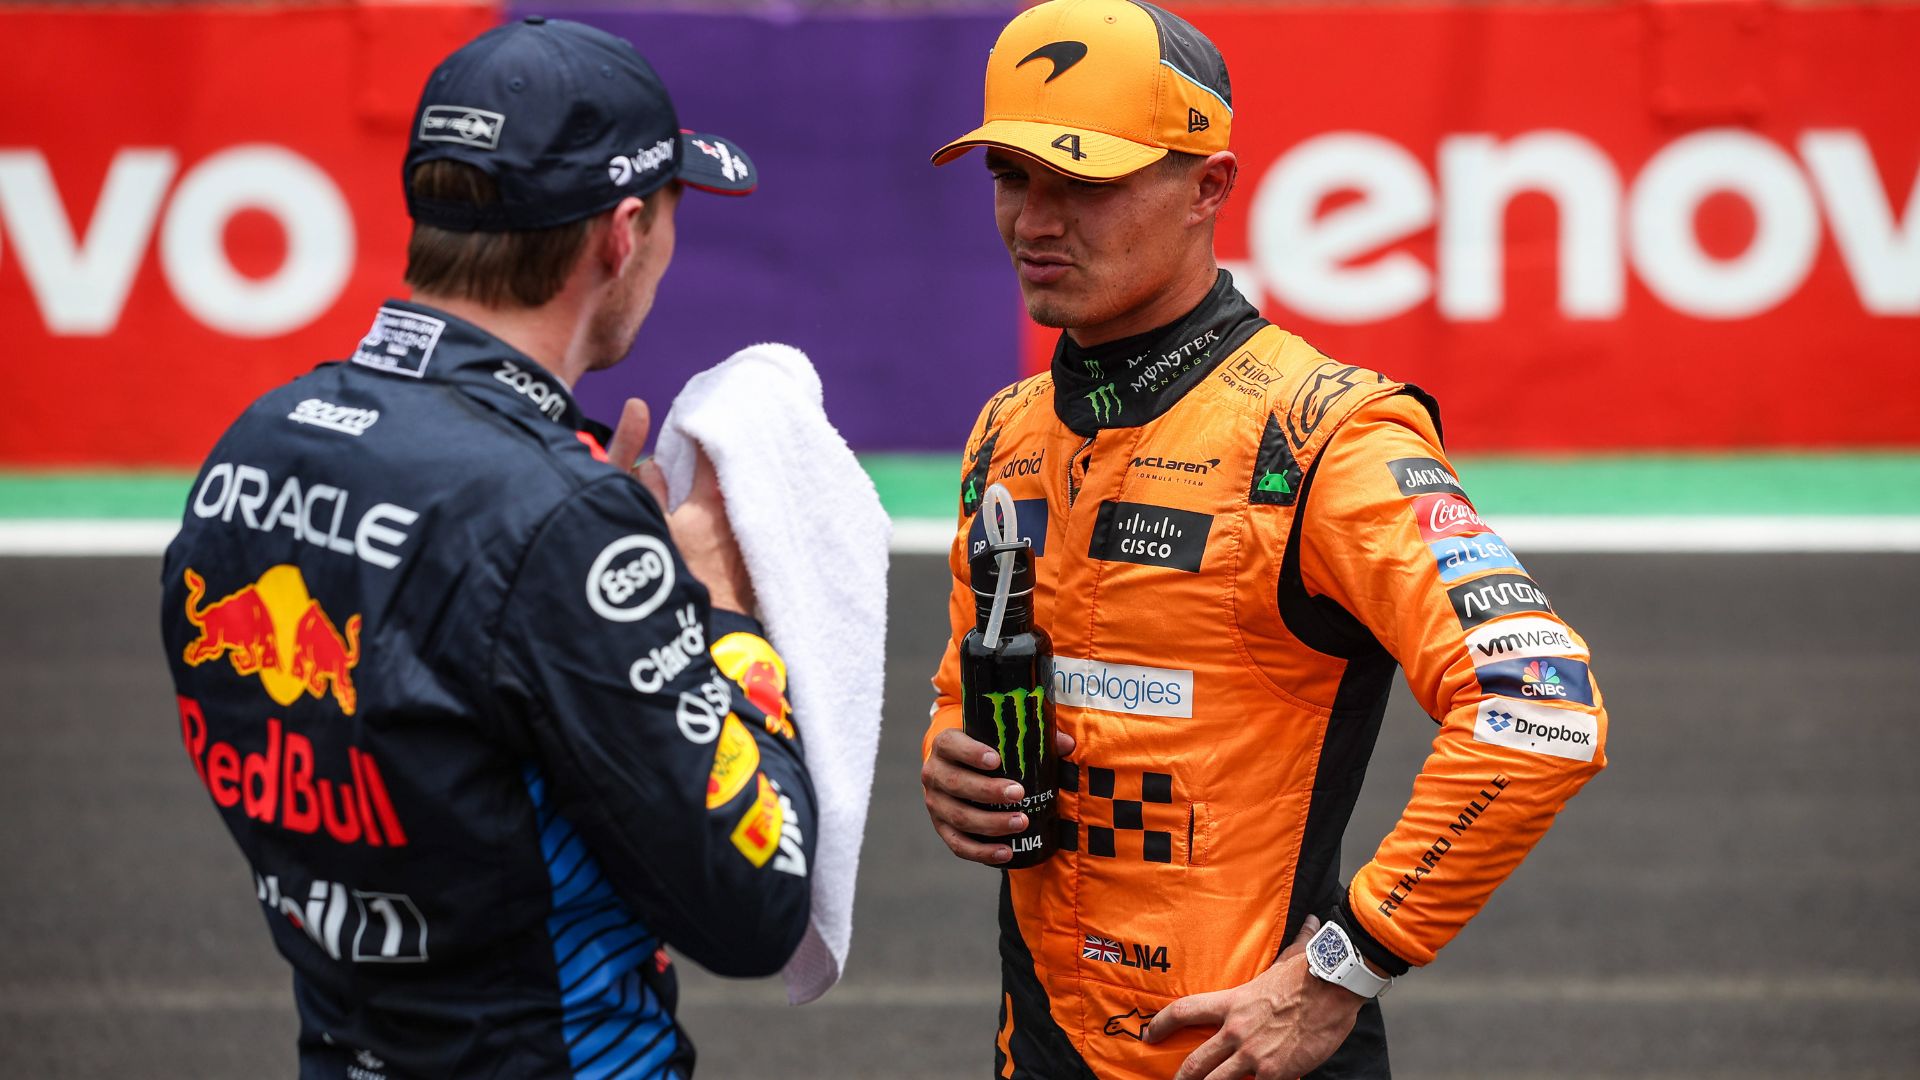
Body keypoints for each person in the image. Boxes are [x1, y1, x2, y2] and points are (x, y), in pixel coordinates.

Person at [919, 2, 1609, 1078]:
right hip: (1040, 1043)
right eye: (1013, 176)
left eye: (1085, 182)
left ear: (1210, 187)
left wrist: (1343, 966)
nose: (1036, 222)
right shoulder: (1005, 435)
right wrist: (953, 753)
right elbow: (968, 687)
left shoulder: (1326, 432)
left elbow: (1544, 710)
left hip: (1247, 1053)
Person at [159, 17, 814, 1079]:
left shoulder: (255, 445)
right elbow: (757, 904)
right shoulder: (560, 522)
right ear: (622, 232)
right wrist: (711, 614)